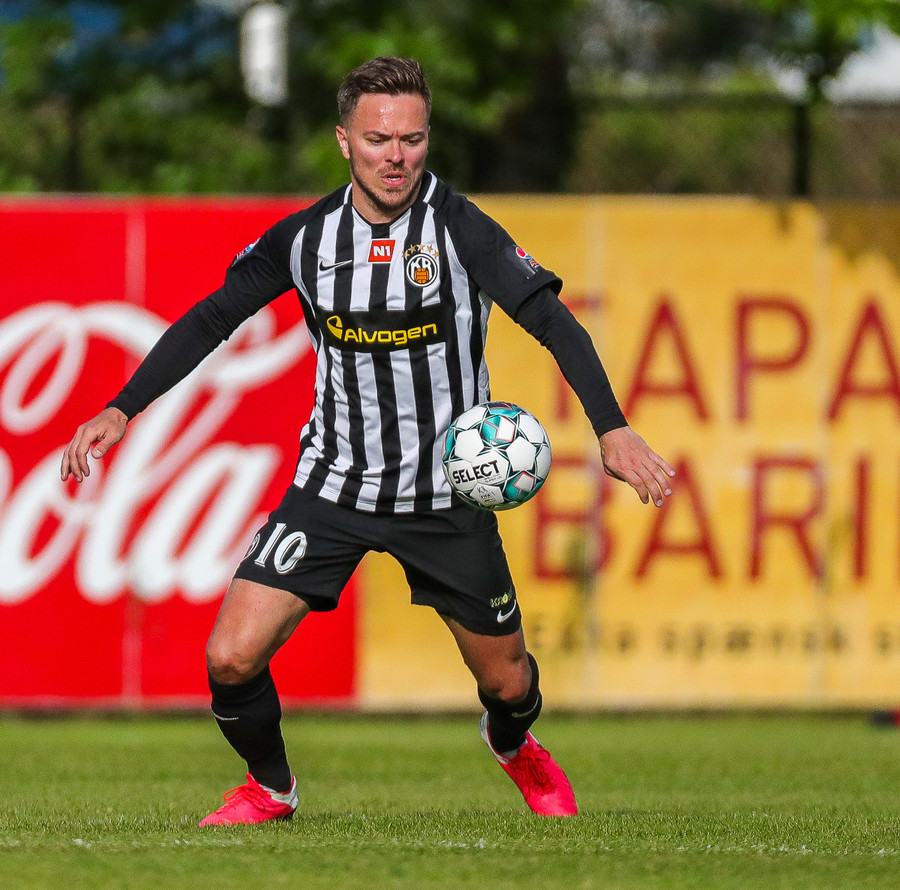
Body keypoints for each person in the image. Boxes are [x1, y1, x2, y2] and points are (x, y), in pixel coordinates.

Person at [61, 57, 674, 825]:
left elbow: (552, 319)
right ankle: (271, 788)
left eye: (413, 139)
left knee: (509, 683)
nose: (397, 157)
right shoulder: (306, 240)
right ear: (344, 140)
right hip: (334, 487)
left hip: (446, 494)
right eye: (379, 139)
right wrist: (123, 408)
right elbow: (215, 317)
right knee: (231, 656)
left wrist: (611, 427)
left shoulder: (459, 229)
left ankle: (513, 742)